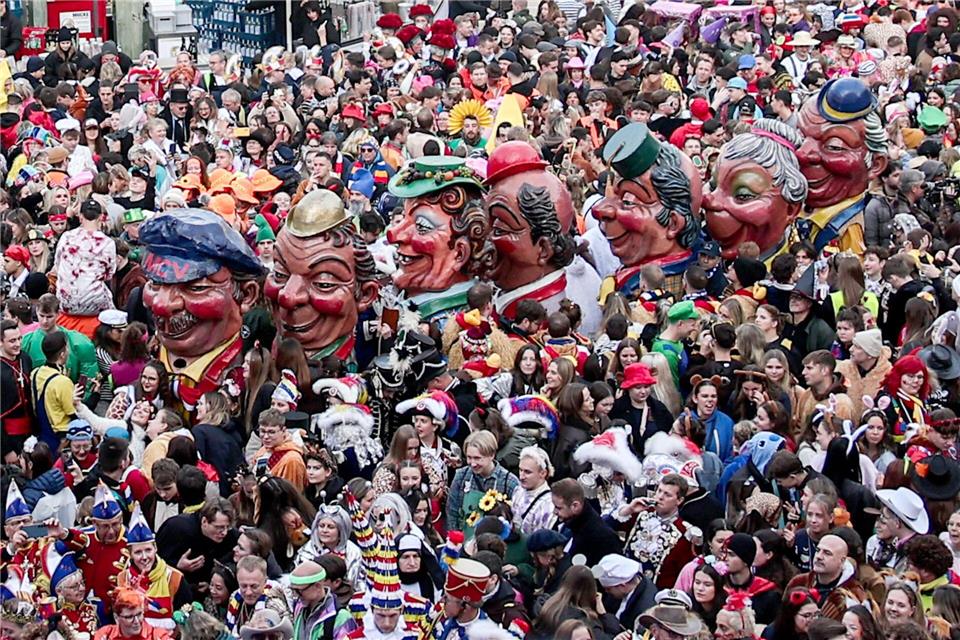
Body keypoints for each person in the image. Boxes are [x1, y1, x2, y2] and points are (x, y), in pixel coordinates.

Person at [117, 504, 192, 629]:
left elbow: (187, 619)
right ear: (130, 554)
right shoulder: (123, 579)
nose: (144, 557)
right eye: (138, 552)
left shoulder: (174, 578)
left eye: (148, 550)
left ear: (155, 548)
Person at [617, 474, 696, 589]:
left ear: (679, 500)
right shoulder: (640, 512)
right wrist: (629, 509)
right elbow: (607, 527)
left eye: (667, 494)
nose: (660, 497)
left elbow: (682, 575)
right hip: (623, 584)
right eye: (659, 491)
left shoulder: (684, 532)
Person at [156, 497, 240, 592]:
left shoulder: (231, 536)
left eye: (227, 527)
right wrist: (177, 566)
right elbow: (155, 562)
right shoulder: (177, 529)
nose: (224, 533)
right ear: (204, 521)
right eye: (219, 527)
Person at [786, 532, 872, 620]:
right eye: (818, 550)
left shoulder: (853, 594)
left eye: (827, 553)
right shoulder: (798, 582)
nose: (819, 556)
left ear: (842, 561)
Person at [551, 478, 622, 567]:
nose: (555, 512)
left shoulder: (602, 537)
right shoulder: (569, 522)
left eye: (558, 508)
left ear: (575, 506)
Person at [251, 408, 306, 490]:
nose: (266, 437)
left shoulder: (292, 460)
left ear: (283, 431)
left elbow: (292, 496)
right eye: (262, 431)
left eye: (271, 432)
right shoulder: (263, 450)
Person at [92, 588, 172, 640]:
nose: (136, 621)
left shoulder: (158, 636)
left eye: (139, 614)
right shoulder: (105, 635)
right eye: (129, 617)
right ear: (116, 617)